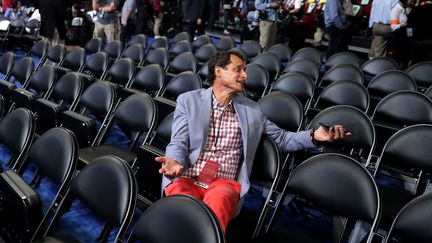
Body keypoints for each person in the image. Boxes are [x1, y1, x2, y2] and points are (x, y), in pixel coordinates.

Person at [155, 50, 351, 232]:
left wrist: (314, 136)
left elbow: (283, 138)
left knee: (214, 211)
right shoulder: (188, 101)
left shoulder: (252, 110)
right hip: (188, 174)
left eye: (245, 70)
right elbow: (178, 140)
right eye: (238, 70)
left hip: (223, 182)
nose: (245, 76)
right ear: (219, 72)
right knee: (180, 211)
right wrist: (175, 161)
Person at [389, 0, 414, 68]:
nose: (413, 1)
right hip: (398, 36)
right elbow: (393, 26)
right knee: (398, 56)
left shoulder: (408, 8)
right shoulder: (396, 9)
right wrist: (405, 24)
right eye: (410, 0)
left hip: (406, 36)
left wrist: (410, 36)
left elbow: (409, 27)